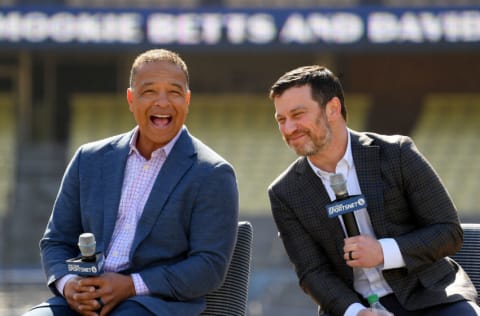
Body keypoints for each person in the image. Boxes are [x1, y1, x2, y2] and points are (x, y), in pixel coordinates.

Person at [23, 49, 239, 316]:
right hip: (84, 299)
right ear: (130, 98)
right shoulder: (89, 159)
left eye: (174, 92)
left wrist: (130, 285)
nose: (163, 102)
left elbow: (209, 266)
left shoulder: (213, 173)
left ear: (187, 99)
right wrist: (69, 286)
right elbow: (56, 241)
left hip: (154, 304)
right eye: (149, 91)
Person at [267, 65, 480, 316]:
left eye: (298, 114)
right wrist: (356, 311)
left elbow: (448, 231)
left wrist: (382, 251)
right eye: (281, 119)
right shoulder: (284, 191)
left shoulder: (397, 153)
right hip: (353, 306)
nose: (289, 129)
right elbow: (312, 272)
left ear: (333, 108)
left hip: (430, 295)